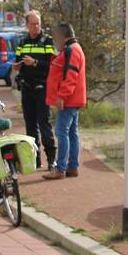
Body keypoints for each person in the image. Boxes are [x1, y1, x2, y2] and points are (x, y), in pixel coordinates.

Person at [12, 10, 56, 169]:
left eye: (38, 23)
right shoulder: (22, 42)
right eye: (33, 24)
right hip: (27, 88)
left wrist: (35, 63)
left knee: (44, 125)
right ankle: (34, 160)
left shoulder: (48, 41)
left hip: (42, 88)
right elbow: (17, 61)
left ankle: (51, 160)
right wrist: (16, 66)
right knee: (30, 127)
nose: (36, 27)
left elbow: (53, 65)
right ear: (27, 25)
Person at [43, 22, 86, 180]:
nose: (55, 40)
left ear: (62, 36)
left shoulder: (71, 50)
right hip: (73, 99)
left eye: (56, 37)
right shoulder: (72, 49)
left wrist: (62, 96)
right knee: (72, 133)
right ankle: (72, 166)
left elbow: (70, 76)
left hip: (68, 100)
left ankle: (60, 168)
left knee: (62, 132)